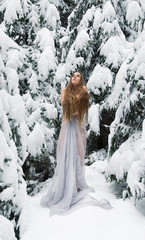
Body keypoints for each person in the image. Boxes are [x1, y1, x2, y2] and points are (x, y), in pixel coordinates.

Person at [41, 72, 112, 215]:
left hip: (79, 128)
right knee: (64, 154)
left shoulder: (84, 91)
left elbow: (79, 108)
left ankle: (76, 185)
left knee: (78, 155)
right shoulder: (65, 91)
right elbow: (66, 105)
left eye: (78, 76)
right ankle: (65, 186)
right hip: (67, 127)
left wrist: (79, 95)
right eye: (73, 75)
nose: (74, 77)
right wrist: (76, 98)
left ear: (81, 80)